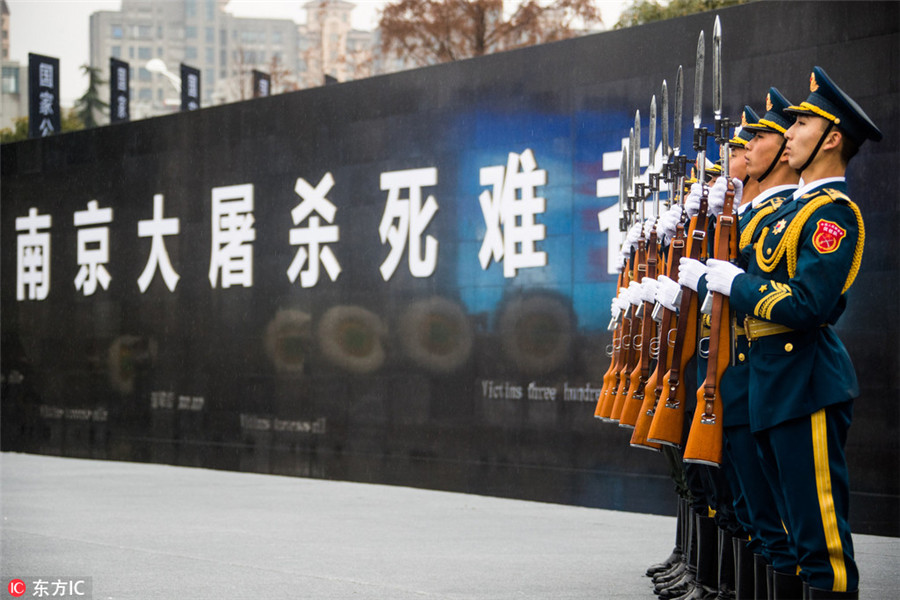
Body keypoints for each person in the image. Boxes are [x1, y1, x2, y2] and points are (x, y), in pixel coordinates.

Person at [703, 66, 882, 600]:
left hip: (805, 382)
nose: (789, 135)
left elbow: (809, 304)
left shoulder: (832, 215)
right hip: (773, 381)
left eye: (802, 123)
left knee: (819, 543)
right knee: (787, 532)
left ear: (830, 138)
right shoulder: (794, 212)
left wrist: (736, 284)